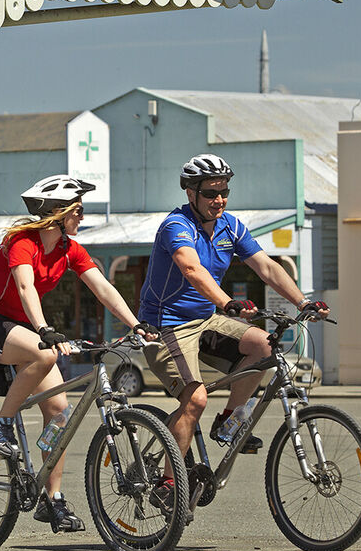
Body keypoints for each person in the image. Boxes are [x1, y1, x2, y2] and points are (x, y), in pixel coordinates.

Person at [0, 174, 159, 534]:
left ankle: (51, 499)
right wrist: (43, 331)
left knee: (59, 415)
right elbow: (24, 286)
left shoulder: (69, 249)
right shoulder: (21, 242)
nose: (82, 218)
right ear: (58, 212)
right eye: (79, 211)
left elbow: (103, 288)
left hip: (26, 330)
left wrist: (135, 324)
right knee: (46, 356)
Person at [138, 154, 328, 503]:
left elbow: (266, 267)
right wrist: (228, 302)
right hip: (166, 325)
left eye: (224, 191)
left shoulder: (231, 226)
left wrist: (303, 302)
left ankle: (229, 420)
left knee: (264, 346)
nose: (219, 200)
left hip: (206, 320)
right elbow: (192, 270)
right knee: (194, 399)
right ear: (191, 193)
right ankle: (167, 483)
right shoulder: (176, 226)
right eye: (211, 193)